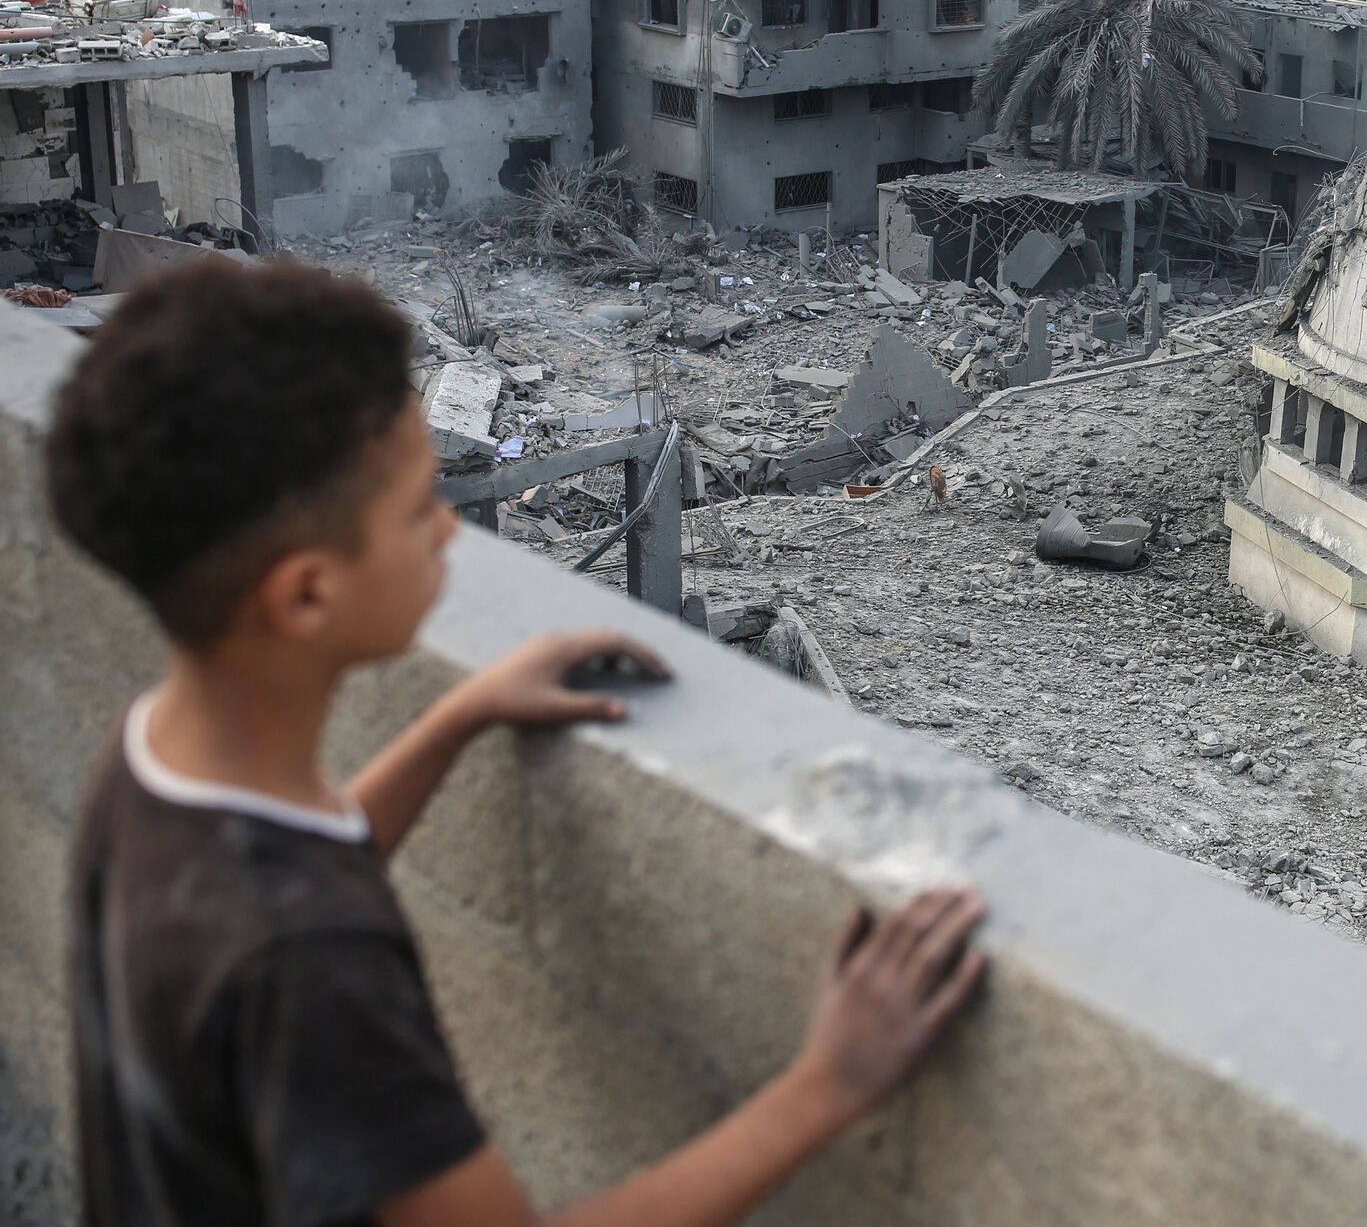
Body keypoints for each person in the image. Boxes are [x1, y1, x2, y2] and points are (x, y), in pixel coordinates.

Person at [45, 258, 985, 1227]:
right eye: (417, 508)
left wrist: (460, 715)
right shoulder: (311, 967)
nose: (449, 533)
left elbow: (297, 857)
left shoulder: (149, 757)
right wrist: (828, 1084)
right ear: (307, 594)